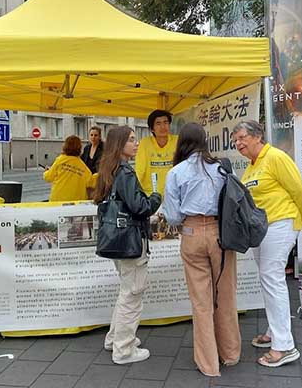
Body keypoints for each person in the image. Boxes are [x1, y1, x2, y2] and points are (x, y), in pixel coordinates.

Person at [233, 120, 302, 368]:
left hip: (281, 223)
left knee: (272, 278)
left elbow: (299, 191)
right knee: (267, 278)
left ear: (258, 136)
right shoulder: (251, 167)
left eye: (241, 138)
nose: (238, 144)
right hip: (262, 228)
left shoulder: (276, 157)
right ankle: (273, 332)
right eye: (235, 140)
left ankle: (284, 346)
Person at [162, 123, 240, 377]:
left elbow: (172, 216)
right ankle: (230, 354)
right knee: (225, 295)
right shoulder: (222, 167)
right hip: (221, 234)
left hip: (191, 233)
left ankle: (208, 364)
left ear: (182, 142)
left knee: (201, 301)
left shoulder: (176, 172)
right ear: (205, 141)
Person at [93, 125, 161, 365]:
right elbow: (141, 207)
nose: (136, 143)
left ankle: (115, 338)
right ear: (119, 144)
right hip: (131, 242)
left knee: (126, 290)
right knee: (133, 293)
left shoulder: (108, 170)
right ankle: (123, 349)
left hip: (117, 242)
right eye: (132, 140)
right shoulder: (125, 172)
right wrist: (155, 198)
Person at [135, 109, 178, 196]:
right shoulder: (144, 143)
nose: (163, 127)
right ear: (152, 129)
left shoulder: (178, 141)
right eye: (158, 124)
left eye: (165, 122)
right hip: (150, 196)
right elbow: (139, 171)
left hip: (174, 195)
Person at [44, 135, 95, 202]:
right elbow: (91, 181)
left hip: (57, 200)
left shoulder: (60, 160)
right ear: (79, 148)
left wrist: (46, 171)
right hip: (76, 202)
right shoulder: (82, 165)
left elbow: (48, 177)